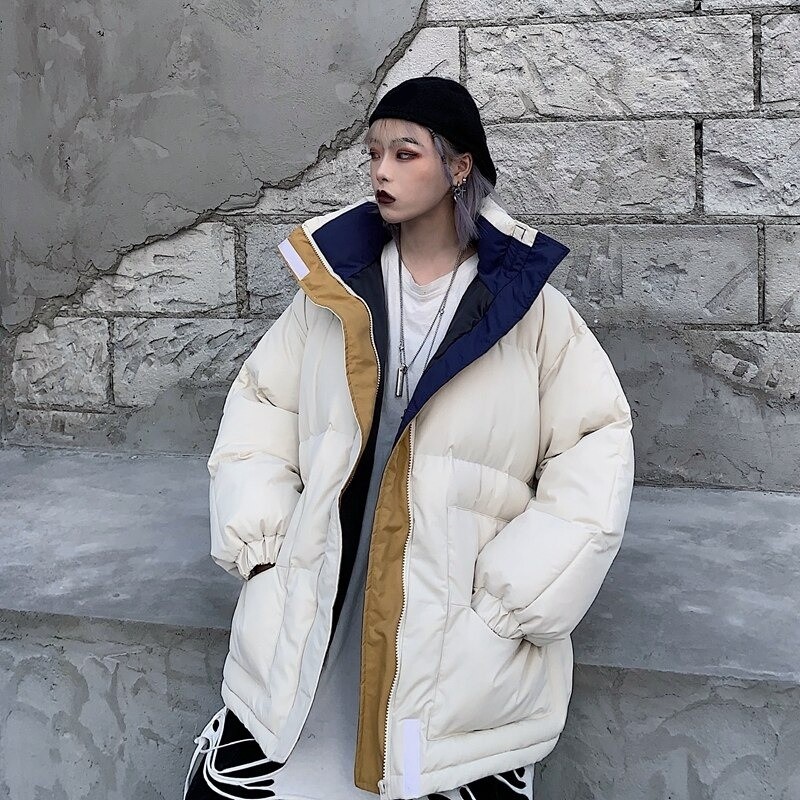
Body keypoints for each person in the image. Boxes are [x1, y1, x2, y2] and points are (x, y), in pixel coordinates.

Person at [183, 76, 634, 800]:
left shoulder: (528, 309)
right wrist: (266, 547)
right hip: (328, 592)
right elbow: (261, 409)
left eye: (405, 153)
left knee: (419, 769)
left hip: (451, 615)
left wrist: (510, 601)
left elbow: (595, 448)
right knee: (286, 762)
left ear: (458, 167)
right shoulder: (334, 292)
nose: (382, 172)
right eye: (373, 154)